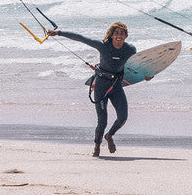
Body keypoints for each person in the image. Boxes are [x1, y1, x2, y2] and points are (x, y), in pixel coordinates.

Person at [47, 22, 137, 157]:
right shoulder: (103, 46)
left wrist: (146, 75)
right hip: (101, 85)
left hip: (116, 85)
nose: (119, 36)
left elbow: (135, 66)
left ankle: (109, 135)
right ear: (111, 35)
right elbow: (81, 38)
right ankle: (97, 146)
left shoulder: (130, 49)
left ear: (126, 36)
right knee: (102, 121)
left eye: (122, 33)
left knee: (123, 117)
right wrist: (59, 33)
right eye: (116, 33)